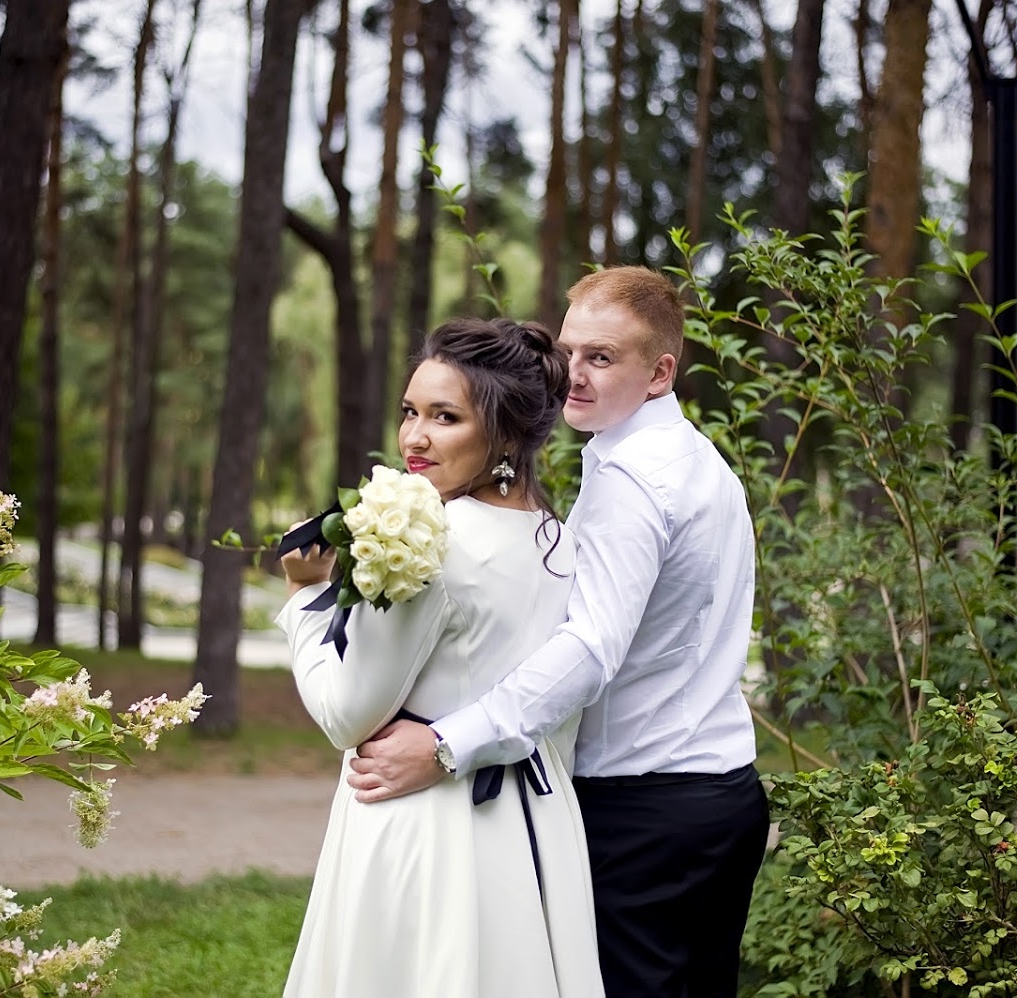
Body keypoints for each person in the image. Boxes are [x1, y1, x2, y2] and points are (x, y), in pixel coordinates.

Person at [347, 266, 770, 998]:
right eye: (570, 350)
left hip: (646, 811)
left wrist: (449, 744)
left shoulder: (633, 480)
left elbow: (591, 647)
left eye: (601, 359)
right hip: (719, 796)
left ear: (660, 372)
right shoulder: (697, 460)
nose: (571, 375)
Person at [275, 317, 605, 997]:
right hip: (534, 824)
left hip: (426, 830)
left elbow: (346, 714)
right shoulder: (558, 539)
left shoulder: (429, 545)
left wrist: (304, 606)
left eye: (445, 416)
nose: (414, 438)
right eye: (410, 412)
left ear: (505, 433)